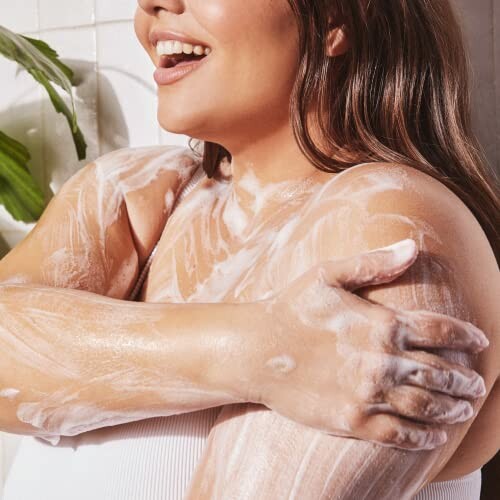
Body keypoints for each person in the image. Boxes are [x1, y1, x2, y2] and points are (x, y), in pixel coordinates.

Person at [1, 0, 498, 499]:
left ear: (337, 18)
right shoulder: (141, 194)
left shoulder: (393, 222)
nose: (153, 3)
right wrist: (257, 348)